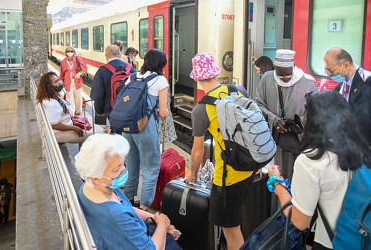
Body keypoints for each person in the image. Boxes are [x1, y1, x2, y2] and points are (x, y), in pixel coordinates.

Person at [267, 90, 371, 249]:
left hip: (331, 244)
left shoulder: (311, 161)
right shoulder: (362, 149)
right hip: (362, 240)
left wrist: (276, 182)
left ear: (313, 121)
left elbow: (299, 221)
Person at [185, 52, 255, 250]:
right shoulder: (238, 90)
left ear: (197, 79)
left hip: (228, 176)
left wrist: (193, 173)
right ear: (216, 73)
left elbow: (198, 152)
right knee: (238, 219)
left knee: (230, 229)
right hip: (250, 166)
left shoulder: (201, 109)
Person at [75, 134, 181, 249]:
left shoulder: (92, 187)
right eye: (117, 169)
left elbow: (127, 208)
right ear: (95, 177)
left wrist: (156, 219)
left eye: (123, 164)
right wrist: (162, 225)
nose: (124, 170)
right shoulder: (116, 216)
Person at [255, 49, 318, 181]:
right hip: (271, 140)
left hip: (294, 144)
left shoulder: (307, 81)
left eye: (288, 74)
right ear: (275, 67)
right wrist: (274, 119)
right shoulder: (267, 78)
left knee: (290, 179)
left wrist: (294, 124)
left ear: (293, 67)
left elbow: (314, 113)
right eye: (280, 74)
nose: (284, 78)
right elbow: (258, 104)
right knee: (272, 178)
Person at [122, 49, 169, 211]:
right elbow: (163, 112)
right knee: (150, 168)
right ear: (161, 63)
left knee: (131, 164)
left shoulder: (133, 76)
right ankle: (144, 208)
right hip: (145, 128)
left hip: (127, 127)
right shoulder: (160, 80)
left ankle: (128, 201)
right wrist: (161, 111)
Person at [323, 47, 371, 145]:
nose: (328, 74)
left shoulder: (368, 82)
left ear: (345, 65)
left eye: (330, 70)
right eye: (325, 70)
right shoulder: (340, 87)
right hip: (346, 147)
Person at [36, 71, 90, 144]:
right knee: (92, 136)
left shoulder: (53, 95)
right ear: (48, 86)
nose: (59, 83)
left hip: (68, 124)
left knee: (85, 134)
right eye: (56, 82)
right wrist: (74, 128)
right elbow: (54, 124)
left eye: (59, 80)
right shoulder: (51, 103)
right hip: (58, 133)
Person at [90, 45, 136, 119]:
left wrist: (100, 111)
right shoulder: (130, 69)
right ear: (120, 54)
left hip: (111, 110)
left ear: (106, 56)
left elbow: (97, 94)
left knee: (114, 129)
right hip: (129, 109)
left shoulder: (102, 71)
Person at [59, 46, 88, 115]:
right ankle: (71, 111)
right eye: (68, 51)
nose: (70, 53)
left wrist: (80, 73)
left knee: (78, 96)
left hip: (77, 81)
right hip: (67, 81)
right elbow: (61, 73)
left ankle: (78, 111)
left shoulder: (78, 59)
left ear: (74, 52)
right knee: (69, 97)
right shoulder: (63, 62)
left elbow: (85, 68)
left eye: (71, 51)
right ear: (66, 53)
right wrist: (61, 81)